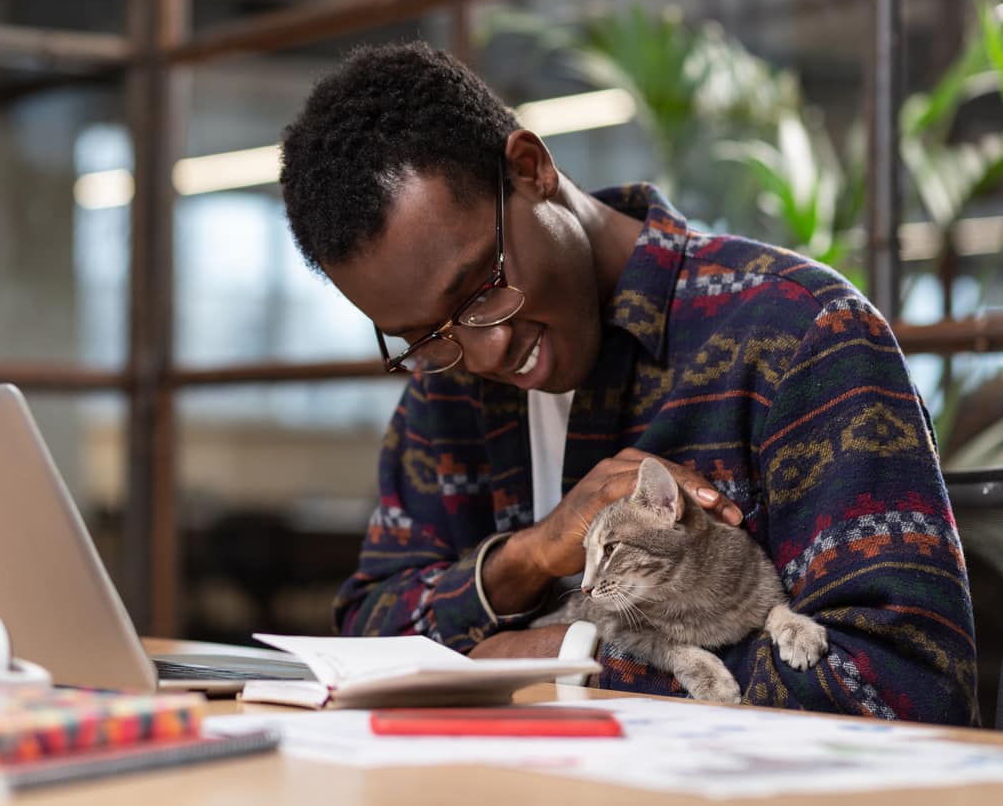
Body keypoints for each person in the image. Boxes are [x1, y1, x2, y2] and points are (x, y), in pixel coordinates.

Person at [277, 41, 977, 724]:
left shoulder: (799, 334)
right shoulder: (446, 386)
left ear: (531, 169)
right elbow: (369, 638)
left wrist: (569, 656)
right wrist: (526, 557)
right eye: (425, 336)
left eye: (482, 289)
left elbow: (907, 686)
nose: (484, 350)